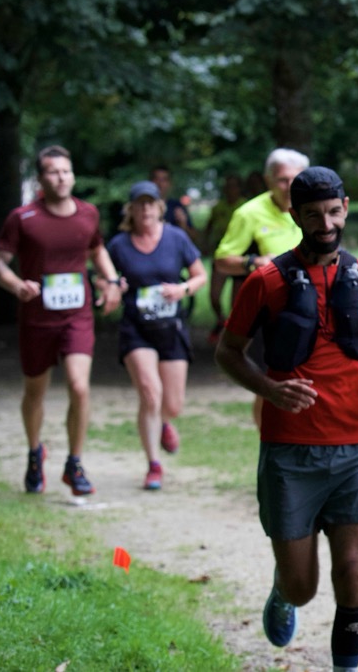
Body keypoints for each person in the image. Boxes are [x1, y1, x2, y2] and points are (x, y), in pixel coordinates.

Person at [215, 167, 358, 671]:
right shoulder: (265, 281)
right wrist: (269, 389)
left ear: (345, 208)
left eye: (334, 212)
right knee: (303, 587)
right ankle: (283, 592)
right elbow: (228, 352)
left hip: (354, 448)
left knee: (353, 571)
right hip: (289, 451)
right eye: (314, 214)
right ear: (295, 215)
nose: (326, 224)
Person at [0, 145, 123, 496]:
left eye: (66, 171)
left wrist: (111, 281)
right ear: (41, 178)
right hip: (36, 318)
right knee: (35, 391)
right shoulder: (22, 218)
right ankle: (35, 452)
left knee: (79, 386)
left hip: (77, 315)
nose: (61, 177)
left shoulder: (88, 213)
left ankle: (74, 463)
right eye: (53, 171)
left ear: (73, 175)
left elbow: (97, 249)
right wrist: (16, 285)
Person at [107, 181, 208, 490]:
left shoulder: (176, 238)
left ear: (160, 207)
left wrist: (182, 289)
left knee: (172, 404)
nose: (146, 209)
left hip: (170, 327)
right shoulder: (119, 245)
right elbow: (104, 279)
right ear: (131, 210)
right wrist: (114, 286)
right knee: (150, 393)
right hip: (136, 329)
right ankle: (153, 465)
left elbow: (200, 275)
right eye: (140, 204)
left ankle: (164, 421)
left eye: (151, 203)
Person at [214, 148, 309, 426]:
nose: (288, 186)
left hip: (310, 306)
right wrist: (255, 262)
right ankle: (267, 437)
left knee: (307, 375)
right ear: (268, 180)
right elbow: (221, 261)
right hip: (268, 311)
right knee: (271, 379)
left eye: (295, 179)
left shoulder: (312, 209)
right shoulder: (249, 213)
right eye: (282, 179)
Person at [204, 173, 249, 343]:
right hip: (222, 256)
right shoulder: (219, 207)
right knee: (214, 296)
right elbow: (209, 226)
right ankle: (220, 320)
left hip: (241, 259)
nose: (231, 190)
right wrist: (206, 244)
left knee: (236, 302)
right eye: (228, 186)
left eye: (234, 186)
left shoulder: (246, 206)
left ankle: (232, 332)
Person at [150, 165, 203, 248]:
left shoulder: (177, 206)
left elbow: (194, 237)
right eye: (157, 179)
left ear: (170, 184)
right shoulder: (142, 208)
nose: (160, 184)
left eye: (164, 180)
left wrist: (183, 224)